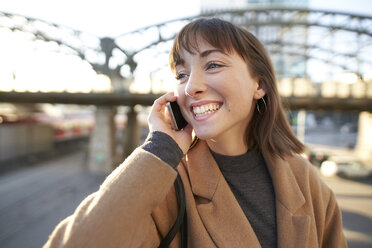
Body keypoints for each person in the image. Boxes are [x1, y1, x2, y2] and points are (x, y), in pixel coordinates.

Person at [44, 18, 347, 248]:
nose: (191, 88)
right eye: (181, 74)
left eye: (213, 64)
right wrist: (160, 148)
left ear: (260, 85)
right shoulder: (167, 186)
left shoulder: (306, 182)